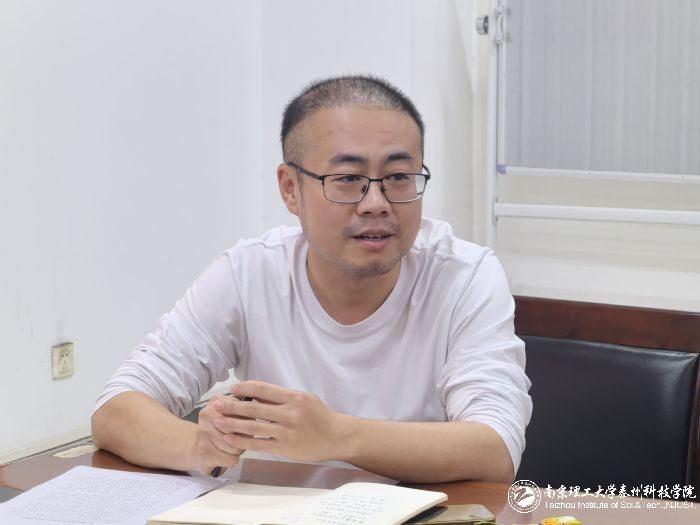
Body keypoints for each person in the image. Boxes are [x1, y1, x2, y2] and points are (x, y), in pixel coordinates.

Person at [91, 74, 531, 484]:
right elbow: (115, 409)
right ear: (290, 189)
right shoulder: (249, 273)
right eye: (348, 179)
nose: (376, 203)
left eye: (398, 177)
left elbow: (495, 448)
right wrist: (199, 446)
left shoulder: (464, 276)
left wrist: (336, 436)